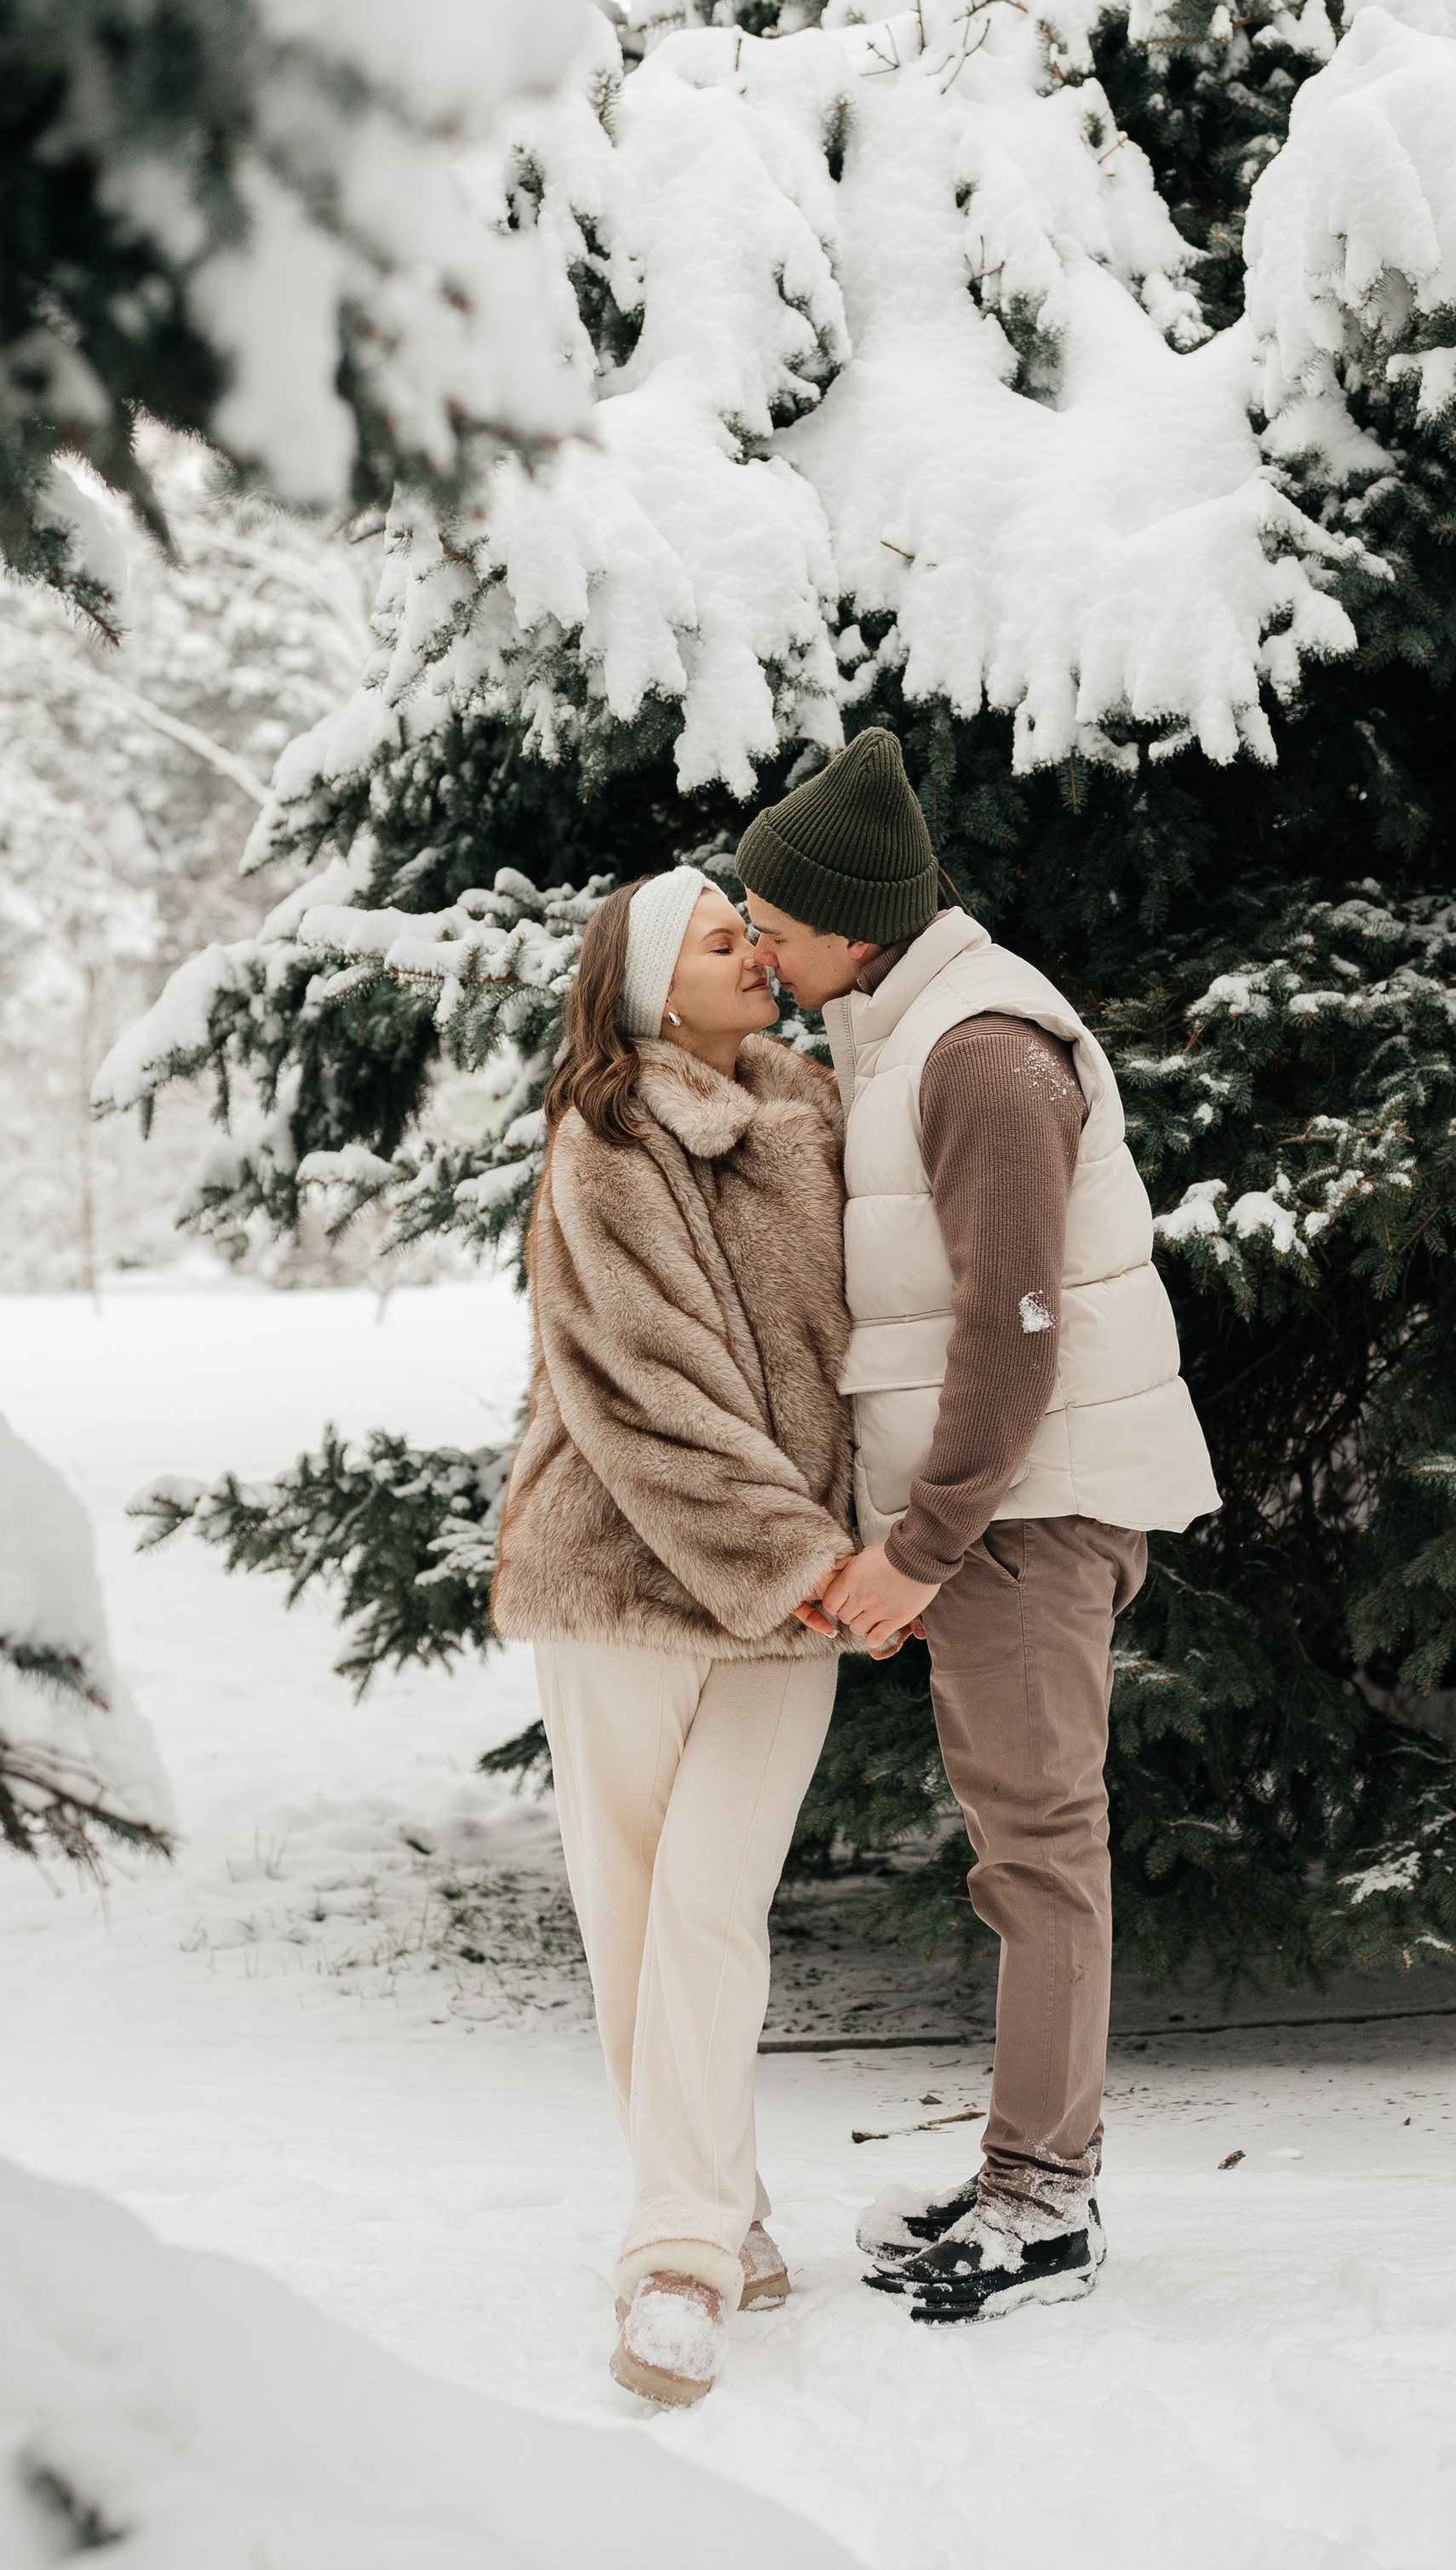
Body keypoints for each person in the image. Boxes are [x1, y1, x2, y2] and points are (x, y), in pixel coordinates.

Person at [737, 727, 1220, 2324]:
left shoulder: (982, 1052)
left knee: (1040, 1850)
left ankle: (1047, 2204)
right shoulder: (908, 1025)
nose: (758, 947)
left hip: (1026, 1511)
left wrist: (920, 1545)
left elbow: (1013, 1332)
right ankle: (1027, 2162)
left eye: (775, 922)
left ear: (856, 915)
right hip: (999, 1515)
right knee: (1023, 1848)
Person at [490, 866, 857, 2408]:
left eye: (752, 936)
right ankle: (701, 2246)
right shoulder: (608, 1135)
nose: (756, 957)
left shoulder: (822, 1121)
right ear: (647, 985)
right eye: (721, 943)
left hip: (798, 1594)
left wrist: (843, 1560)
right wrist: (797, 1557)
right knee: (637, 1920)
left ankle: (684, 2239)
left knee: (713, 1908)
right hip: (623, 1576)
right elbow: (645, 1391)